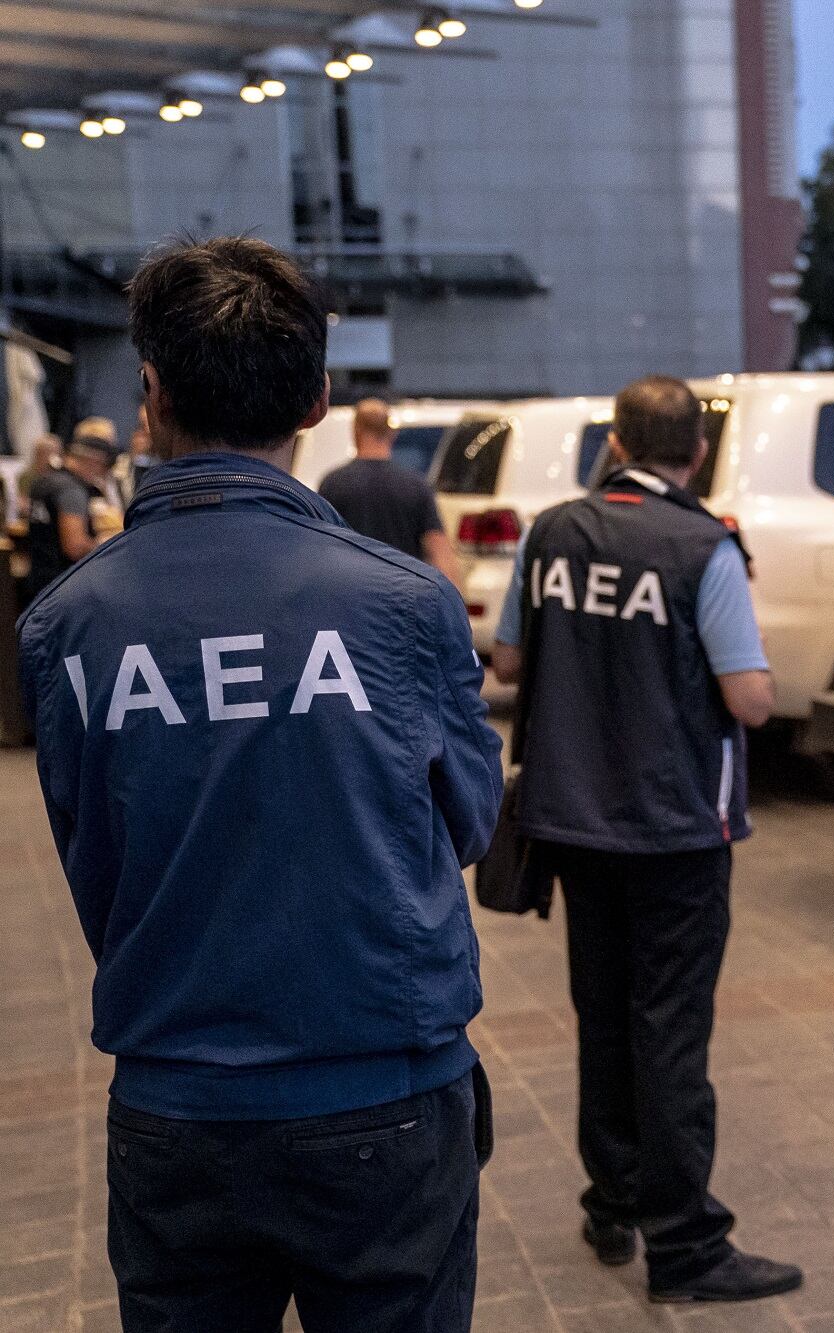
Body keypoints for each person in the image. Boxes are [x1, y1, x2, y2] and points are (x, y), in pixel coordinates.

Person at [17, 237, 503, 1333]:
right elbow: (469, 819)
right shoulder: (401, 603)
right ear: (320, 397)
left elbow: (90, 845)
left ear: (150, 395)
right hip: (381, 1093)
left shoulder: (65, 625)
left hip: (175, 1105)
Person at [490, 375, 799, 1305]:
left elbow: (506, 659)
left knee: (607, 1013)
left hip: (576, 821)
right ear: (695, 452)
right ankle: (686, 1245)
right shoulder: (704, 546)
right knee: (670, 1028)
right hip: (672, 827)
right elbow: (751, 698)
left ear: (617, 443)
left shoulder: (551, 532)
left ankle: (613, 1201)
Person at [318, 398, 463, 583]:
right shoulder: (416, 486)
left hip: (350, 595)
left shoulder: (332, 485)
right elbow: (440, 554)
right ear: (391, 434)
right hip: (403, 596)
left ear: (355, 431)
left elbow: (321, 550)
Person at [22, 423, 121, 603]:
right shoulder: (71, 489)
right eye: (103, 468)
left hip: (37, 584)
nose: (102, 476)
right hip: (61, 589)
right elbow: (74, 547)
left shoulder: (43, 481)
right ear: (94, 462)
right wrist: (108, 544)